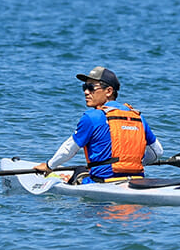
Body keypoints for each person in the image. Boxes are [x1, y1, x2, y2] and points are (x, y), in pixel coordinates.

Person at [34, 66, 163, 183]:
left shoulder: (92, 117)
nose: (86, 92)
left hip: (103, 182)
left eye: (91, 88)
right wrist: (134, 163)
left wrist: (49, 166)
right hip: (136, 180)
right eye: (84, 87)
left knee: (79, 171)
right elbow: (157, 152)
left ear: (108, 91)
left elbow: (69, 149)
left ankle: (70, 180)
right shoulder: (138, 117)